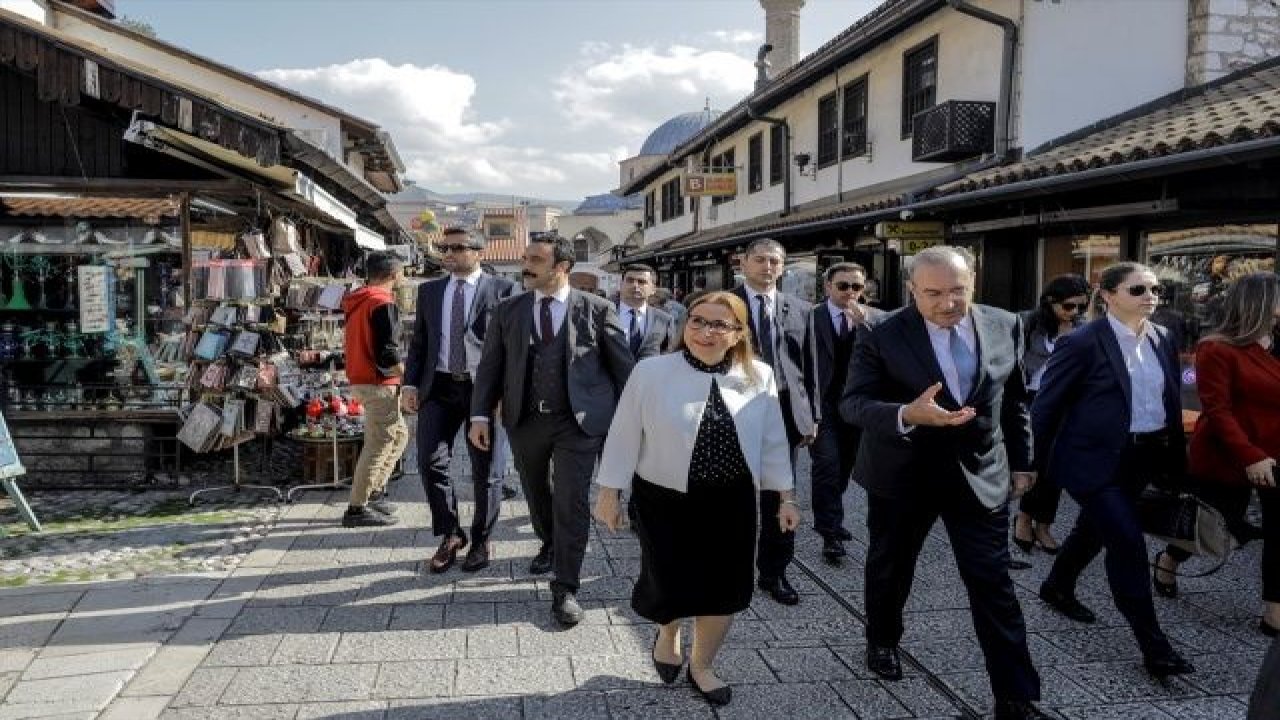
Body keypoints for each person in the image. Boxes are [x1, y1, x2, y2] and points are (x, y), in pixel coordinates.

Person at [841, 246, 1047, 720]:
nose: (947, 302)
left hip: (980, 474)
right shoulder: (881, 331)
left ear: (973, 280)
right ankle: (882, 639)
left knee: (993, 583)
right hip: (903, 474)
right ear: (912, 289)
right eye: (933, 293)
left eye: (958, 290)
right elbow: (852, 403)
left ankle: (1016, 696)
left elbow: (1012, 398)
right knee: (892, 568)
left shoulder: (1006, 324)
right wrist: (905, 414)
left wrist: (1023, 461)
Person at [592, 291, 799, 707]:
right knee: (668, 582)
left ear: (739, 333)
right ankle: (668, 632)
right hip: (663, 499)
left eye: (719, 324)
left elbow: (774, 441)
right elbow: (624, 433)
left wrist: (787, 498)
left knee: (725, 587)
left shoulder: (759, 374)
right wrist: (609, 492)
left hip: (732, 501)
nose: (705, 331)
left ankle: (702, 665)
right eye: (697, 321)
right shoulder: (651, 371)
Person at [1033, 262, 1195, 679]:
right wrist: (1033, 472)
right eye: (1138, 289)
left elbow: (1170, 404)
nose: (1150, 295)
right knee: (1126, 541)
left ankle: (1057, 585)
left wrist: (1175, 464)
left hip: (1143, 457)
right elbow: (1046, 407)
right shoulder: (1083, 343)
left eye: (1155, 288)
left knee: (1094, 529)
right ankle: (1154, 646)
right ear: (1107, 295)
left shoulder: (1163, 337)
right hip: (1092, 462)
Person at [469, 232, 634, 626]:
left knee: (571, 500)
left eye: (535, 260)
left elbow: (623, 368)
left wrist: (635, 421)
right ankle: (548, 541)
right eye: (526, 258)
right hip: (525, 420)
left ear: (561, 267)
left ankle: (566, 586)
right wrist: (479, 415)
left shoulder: (595, 308)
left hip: (579, 423)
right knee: (536, 492)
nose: (526, 266)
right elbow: (490, 365)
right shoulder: (509, 309)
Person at [1155, 272, 1280, 636]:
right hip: (1230, 453)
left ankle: (1274, 610)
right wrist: (1250, 456)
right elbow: (1218, 409)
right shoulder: (1217, 348)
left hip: (1276, 453)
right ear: (1260, 301)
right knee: (1213, 525)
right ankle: (1169, 559)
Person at [403, 227, 516, 573]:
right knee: (429, 461)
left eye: (458, 248)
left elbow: (514, 348)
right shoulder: (430, 291)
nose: (448, 253)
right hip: (437, 387)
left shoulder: (503, 290)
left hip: (482, 391)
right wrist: (409, 384)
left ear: (479, 252)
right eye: (445, 248)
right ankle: (451, 533)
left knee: (487, 472)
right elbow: (419, 342)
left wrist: (503, 394)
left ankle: (481, 539)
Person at [732, 237, 816, 606]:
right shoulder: (723, 305)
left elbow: (812, 368)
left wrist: (813, 414)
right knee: (730, 492)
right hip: (734, 410)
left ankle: (775, 571)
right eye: (761, 260)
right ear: (744, 262)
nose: (768, 267)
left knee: (781, 493)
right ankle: (729, 569)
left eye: (775, 262)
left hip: (784, 412)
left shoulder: (801, 310)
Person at [808, 262, 884, 563]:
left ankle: (832, 516)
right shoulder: (811, 317)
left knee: (843, 468)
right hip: (822, 403)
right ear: (828, 287)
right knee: (826, 464)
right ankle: (829, 532)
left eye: (856, 287)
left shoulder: (877, 319)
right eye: (843, 286)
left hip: (857, 405)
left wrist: (865, 325)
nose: (850, 292)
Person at [1012, 274, 1091, 556]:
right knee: (1036, 461)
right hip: (1031, 399)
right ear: (1049, 302)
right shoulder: (1026, 322)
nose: (1076, 313)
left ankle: (1044, 524)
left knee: (1056, 466)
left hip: (1065, 401)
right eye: (1069, 307)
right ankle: (1023, 518)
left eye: (1083, 307)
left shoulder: (1085, 329)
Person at [340, 252, 410, 528]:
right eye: (402, 273)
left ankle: (375, 492)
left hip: (361, 379)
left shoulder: (358, 301)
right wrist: (407, 379)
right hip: (379, 383)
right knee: (378, 444)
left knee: (399, 435)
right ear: (394, 275)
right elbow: (388, 354)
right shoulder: (382, 303)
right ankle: (357, 508)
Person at [617, 264, 677, 360]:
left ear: (653, 289)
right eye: (630, 280)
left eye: (641, 282)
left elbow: (668, 353)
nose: (635, 285)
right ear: (621, 285)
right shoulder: (604, 313)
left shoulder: (664, 319)